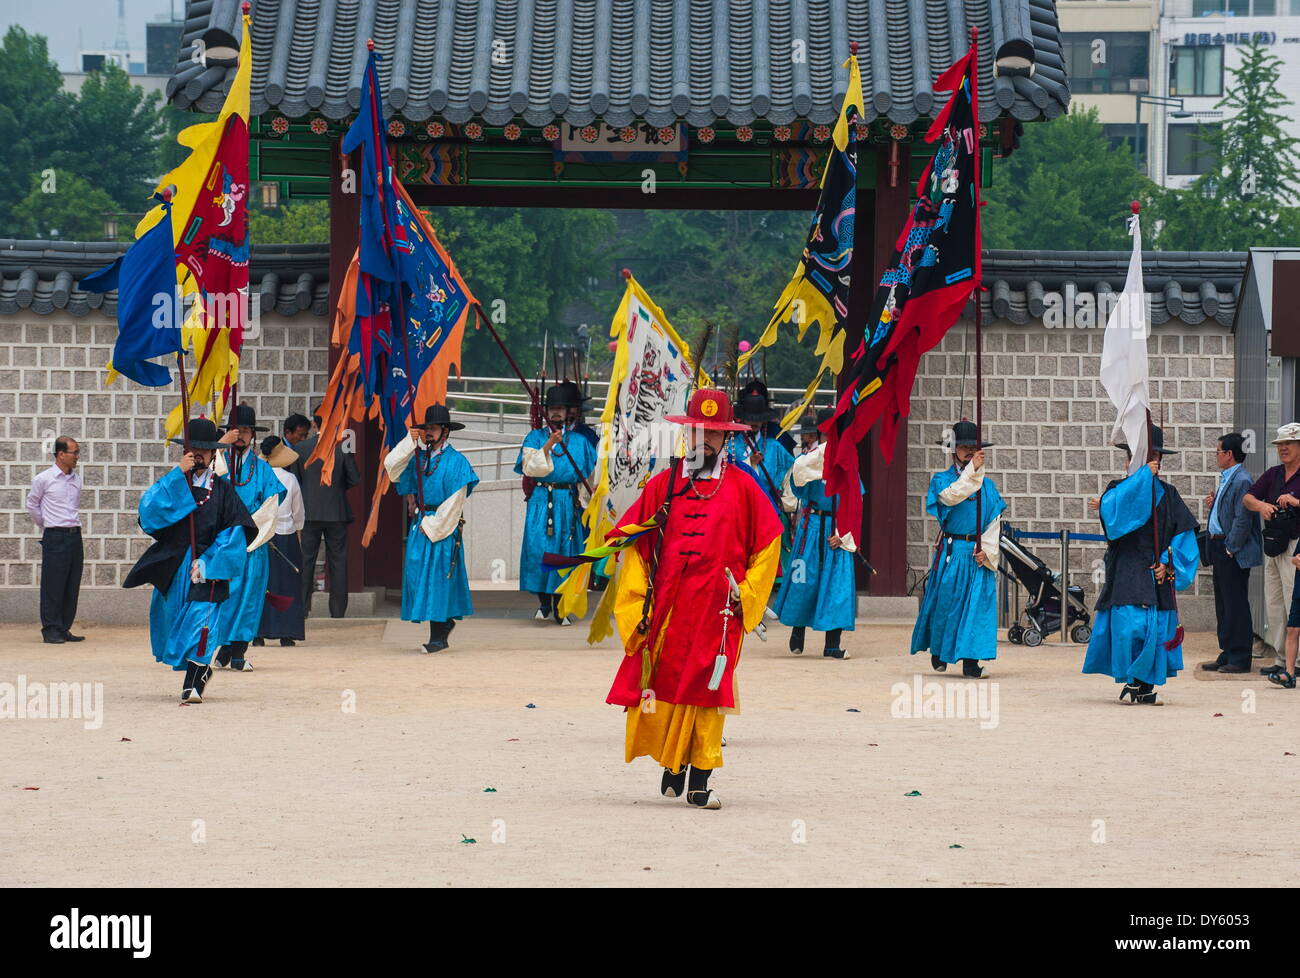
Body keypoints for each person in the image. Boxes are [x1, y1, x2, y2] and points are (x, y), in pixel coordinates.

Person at [607, 388, 783, 810]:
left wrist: (748, 593)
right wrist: (639, 601)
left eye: (714, 433)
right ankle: (673, 763)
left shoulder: (743, 487)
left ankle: (701, 778)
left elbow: (769, 542)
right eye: (698, 431)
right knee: (665, 684)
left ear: (727, 439)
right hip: (669, 608)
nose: (705, 440)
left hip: (717, 612)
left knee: (708, 688)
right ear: (687, 433)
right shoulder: (664, 485)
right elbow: (633, 541)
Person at [123, 418, 256, 704]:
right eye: (192, 448)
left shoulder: (222, 490)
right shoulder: (175, 483)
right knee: (176, 624)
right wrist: (176, 474)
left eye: (204, 449)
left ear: (213, 453)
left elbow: (234, 533)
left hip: (208, 568)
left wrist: (210, 563)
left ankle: (192, 685)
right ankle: (200, 672)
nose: (198, 454)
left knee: (201, 623)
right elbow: (149, 511)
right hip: (175, 566)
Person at [1082, 428, 1199, 705]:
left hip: (1156, 572)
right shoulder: (1115, 491)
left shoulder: (1169, 495)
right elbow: (1116, 522)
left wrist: (1170, 565)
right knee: (1130, 628)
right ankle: (1133, 681)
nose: (1149, 461)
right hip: (1126, 570)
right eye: (1138, 457)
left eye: (1153, 456)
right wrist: (1142, 478)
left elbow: (1184, 537)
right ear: (1128, 460)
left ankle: (1144, 685)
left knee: (1155, 630)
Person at [910, 420, 1004, 678]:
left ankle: (971, 663)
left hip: (977, 552)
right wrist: (971, 471)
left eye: (973, 448)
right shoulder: (942, 480)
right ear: (953, 451)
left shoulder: (988, 485)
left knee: (976, 607)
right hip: (953, 551)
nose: (968, 452)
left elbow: (995, 519)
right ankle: (939, 650)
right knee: (947, 603)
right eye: (963, 448)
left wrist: (989, 549)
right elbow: (951, 497)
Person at [386, 404, 480, 653]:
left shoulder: (457, 462)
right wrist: (410, 441)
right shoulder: (420, 458)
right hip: (422, 522)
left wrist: (435, 525)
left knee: (438, 578)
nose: (429, 432)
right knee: (417, 577)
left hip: (442, 526)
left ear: (445, 432)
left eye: (434, 428)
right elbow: (391, 468)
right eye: (426, 428)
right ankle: (443, 624)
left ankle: (438, 635)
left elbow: (456, 500)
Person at [774, 408, 857, 659]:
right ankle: (798, 629)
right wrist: (818, 468)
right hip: (812, 527)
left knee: (837, 586)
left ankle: (832, 644)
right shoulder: (808, 460)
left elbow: (854, 500)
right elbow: (798, 488)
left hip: (837, 529)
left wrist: (843, 533)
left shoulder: (848, 459)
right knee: (804, 579)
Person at [212, 405, 286, 672]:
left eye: (245, 430)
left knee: (249, 597)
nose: (241, 435)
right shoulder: (219, 463)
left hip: (253, 542)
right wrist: (220, 445)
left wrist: (251, 532)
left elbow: (271, 503)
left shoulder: (262, 469)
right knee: (225, 596)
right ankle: (224, 647)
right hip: (223, 542)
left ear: (253, 435)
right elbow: (203, 477)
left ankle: (238, 652)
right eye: (236, 430)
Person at [515, 385, 598, 624]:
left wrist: (591, 503)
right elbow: (531, 468)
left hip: (567, 501)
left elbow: (592, 475)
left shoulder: (581, 441)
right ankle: (543, 601)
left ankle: (561, 606)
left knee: (565, 552)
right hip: (542, 499)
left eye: (560, 409)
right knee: (539, 549)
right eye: (551, 409)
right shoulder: (534, 438)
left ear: (570, 411)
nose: (555, 413)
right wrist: (549, 443)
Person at [1200, 432, 1262, 674]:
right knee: (1223, 603)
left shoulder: (1242, 480)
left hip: (1231, 549)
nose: (1215, 455)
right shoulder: (1227, 478)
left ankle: (1240, 656)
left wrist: (1230, 548)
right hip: (1218, 545)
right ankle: (1227, 652)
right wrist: (1214, 503)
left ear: (1229, 454)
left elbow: (1243, 519)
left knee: (1235, 603)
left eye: (1218, 451)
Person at [1243, 423, 1300, 676]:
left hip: (1296, 546)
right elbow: (1248, 498)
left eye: (1288, 443)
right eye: (1280, 444)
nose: (1283, 448)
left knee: (1293, 602)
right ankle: (1281, 658)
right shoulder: (1273, 474)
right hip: (1274, 544)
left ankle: (1296, 663)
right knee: (1274, 604)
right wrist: (1262, 507)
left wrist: (1295, 501)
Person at [295, 405, 362, 618]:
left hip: (308, 513)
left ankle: (302, 609)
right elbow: (354, 479)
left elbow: (295, 481)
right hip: (336, 512)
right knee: (338, 562)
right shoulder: (342, 448)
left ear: (315, 423)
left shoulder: (301, 448)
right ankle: (338, 611)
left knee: (306, 561)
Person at [26, 435, 84, 644]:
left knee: (71, 583)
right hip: (55, 536)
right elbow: (32, 505)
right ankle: (50, 629)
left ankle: (63, 627)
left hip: (74, 535)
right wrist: (47, 525)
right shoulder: (44, 479)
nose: (77, 456)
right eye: (74, 452)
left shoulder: (76, 479)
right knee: (53, 584)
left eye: (77, 452)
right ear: (61, 454)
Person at [255, 436, 307, 648]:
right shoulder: (290, 479)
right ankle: (287, 632)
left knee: (262, 583)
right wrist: (299, 533)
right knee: (287, 584)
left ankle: (258, 633)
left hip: (261, 536)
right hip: (286, 535)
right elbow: (299, 514)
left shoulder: (257, 477)